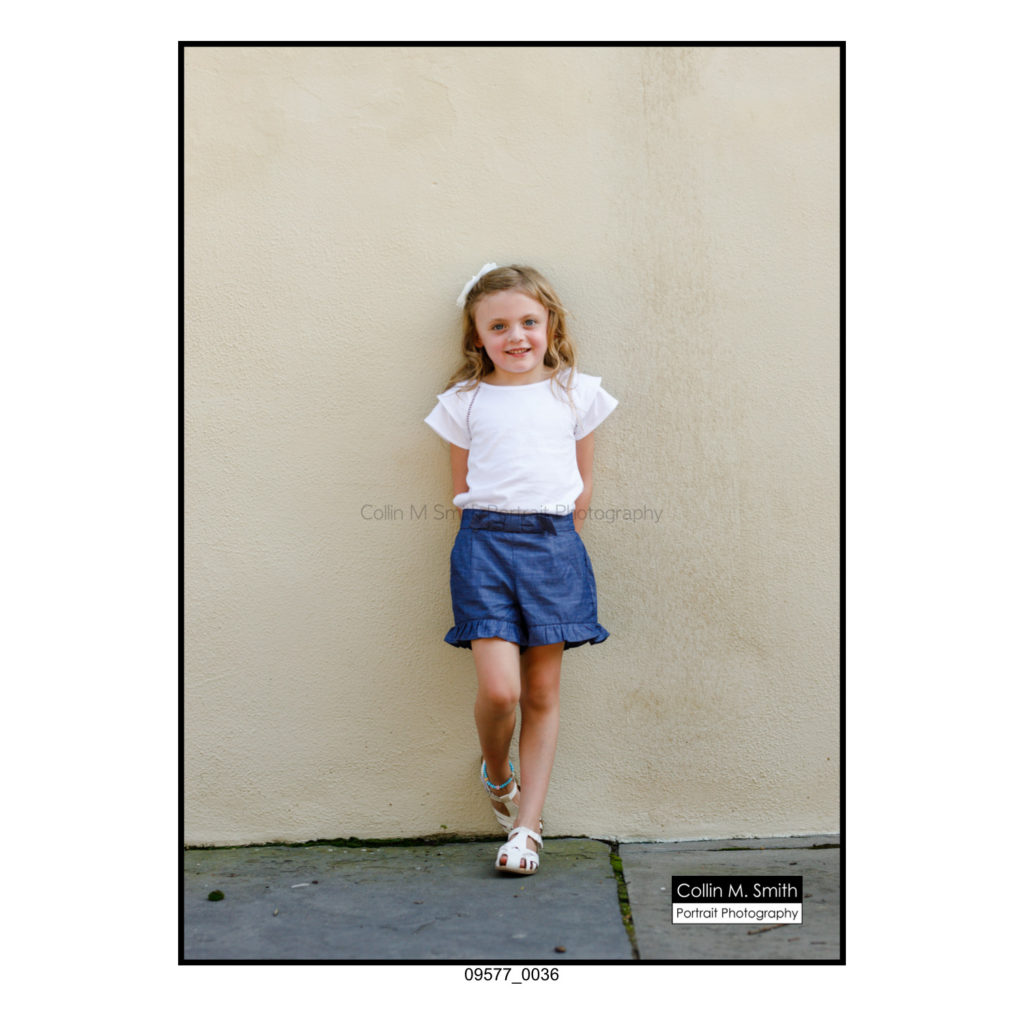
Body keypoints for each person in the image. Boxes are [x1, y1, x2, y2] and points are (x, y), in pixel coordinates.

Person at [424, 263, 618, 875]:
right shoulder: (464, 402)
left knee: (540, 692)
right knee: (501, 690)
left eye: (529, 321)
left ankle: (526, 830)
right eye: (499, 326)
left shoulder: (575, 393)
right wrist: (487, 540)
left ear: (550, 324)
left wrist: (559, 548)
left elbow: (583, 485)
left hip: (554, 546)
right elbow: (461, 489)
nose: (517, 336)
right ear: (477, 336)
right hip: (483, 547)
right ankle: (496, 772)